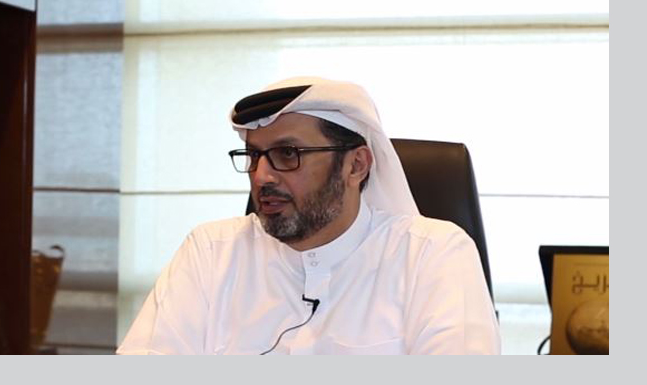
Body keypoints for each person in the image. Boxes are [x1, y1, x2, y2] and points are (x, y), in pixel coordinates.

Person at [117, 77, 500, 355]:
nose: (261, 176)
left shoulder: (433, 254)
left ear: (356, 165)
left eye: (288, 154)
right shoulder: (211, 252)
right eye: (254, 156)